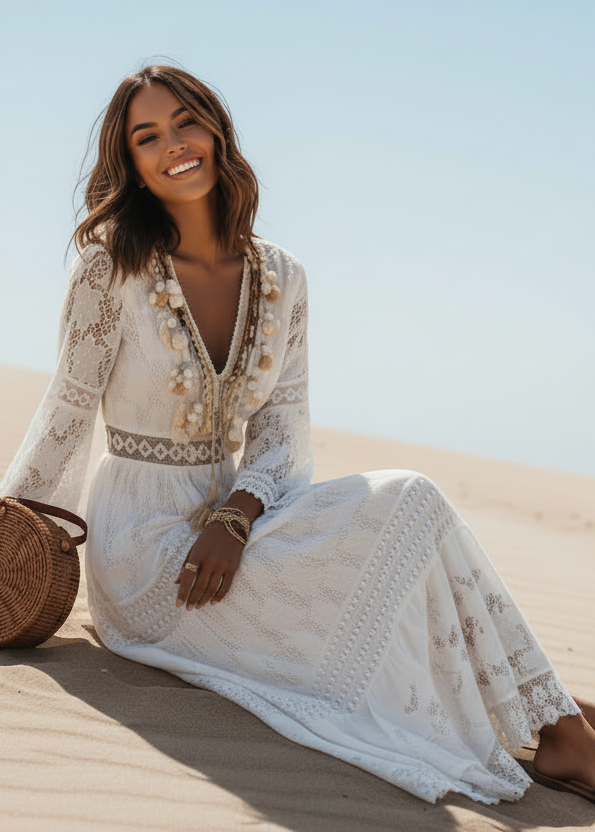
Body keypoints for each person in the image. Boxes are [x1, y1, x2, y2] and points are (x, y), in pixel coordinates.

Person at [2, 64, 594, 806]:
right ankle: (555, 724)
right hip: (148, 551)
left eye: (185, 122)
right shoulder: (111, 263)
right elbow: (66, 411)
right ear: (134, 166)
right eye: (147, 137)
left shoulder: (284, 275)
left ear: (215, 130)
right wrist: (8, 551)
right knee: (386, 531)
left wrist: (237, 513)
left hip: (245, 520)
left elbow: (282, 426)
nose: (172, 145)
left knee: (407, 502)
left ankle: (544, 708)